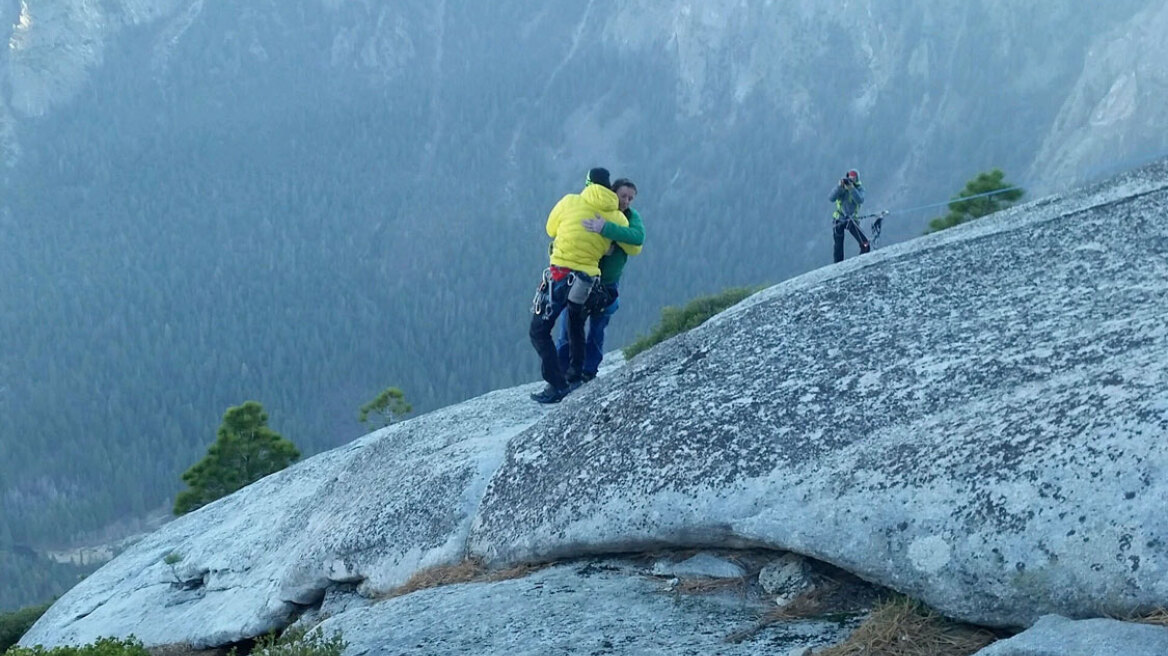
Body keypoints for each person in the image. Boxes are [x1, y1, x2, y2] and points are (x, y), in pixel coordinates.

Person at [529, 167, 632, 404]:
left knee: (539, 330)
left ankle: (557, 384)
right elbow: (633, 245)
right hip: (587, 281)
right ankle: (575, 377)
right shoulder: (617, 217)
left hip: (560, 275)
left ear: (588, 183)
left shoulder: (569, 201)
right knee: (576, 325)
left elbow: (550, 229)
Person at [555, 178, 643, 382]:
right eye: (623, 196)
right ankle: (562, 371)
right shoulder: (595, 209)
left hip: (606, 282)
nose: (626, 201)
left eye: (630, 198)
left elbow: (638, 239)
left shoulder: (631, 216)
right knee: (568, 326)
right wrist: (617, 240)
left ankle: (589, 371)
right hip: (583, 277)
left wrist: (606, 229)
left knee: (597, 327)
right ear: (612, 193)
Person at [830, 169, 869, 263]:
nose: (851, 180)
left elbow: (860, 200)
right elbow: (831, 198)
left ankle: (862, 261)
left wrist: (852, 189)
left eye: (853, 178)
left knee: (865, 243)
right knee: (838, 246)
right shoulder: (841, 188)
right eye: (849, 178)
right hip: (839, 219)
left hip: (852, 219)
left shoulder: (859, 189)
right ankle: (838, 265)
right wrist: (839, 187)